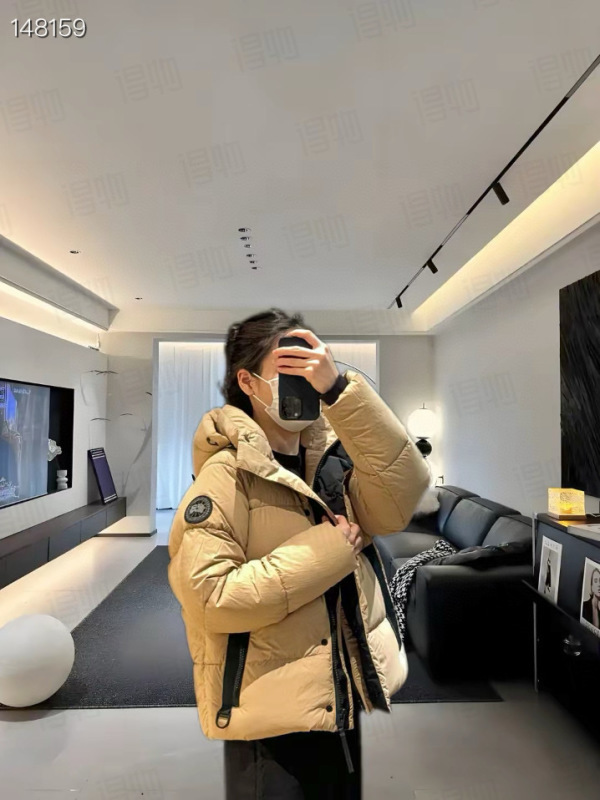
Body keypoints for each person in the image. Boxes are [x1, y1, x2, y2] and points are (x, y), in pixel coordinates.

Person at [167, 308, 430, 799]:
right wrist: (329, 551)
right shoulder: (226, 475)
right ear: (248, 382)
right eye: (289, 371)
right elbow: (210, 598)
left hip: (338, 693)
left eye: (312, 370)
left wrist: (339, 390)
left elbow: (403, 493)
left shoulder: (330, 466)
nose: (303, 384)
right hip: (270, 715)